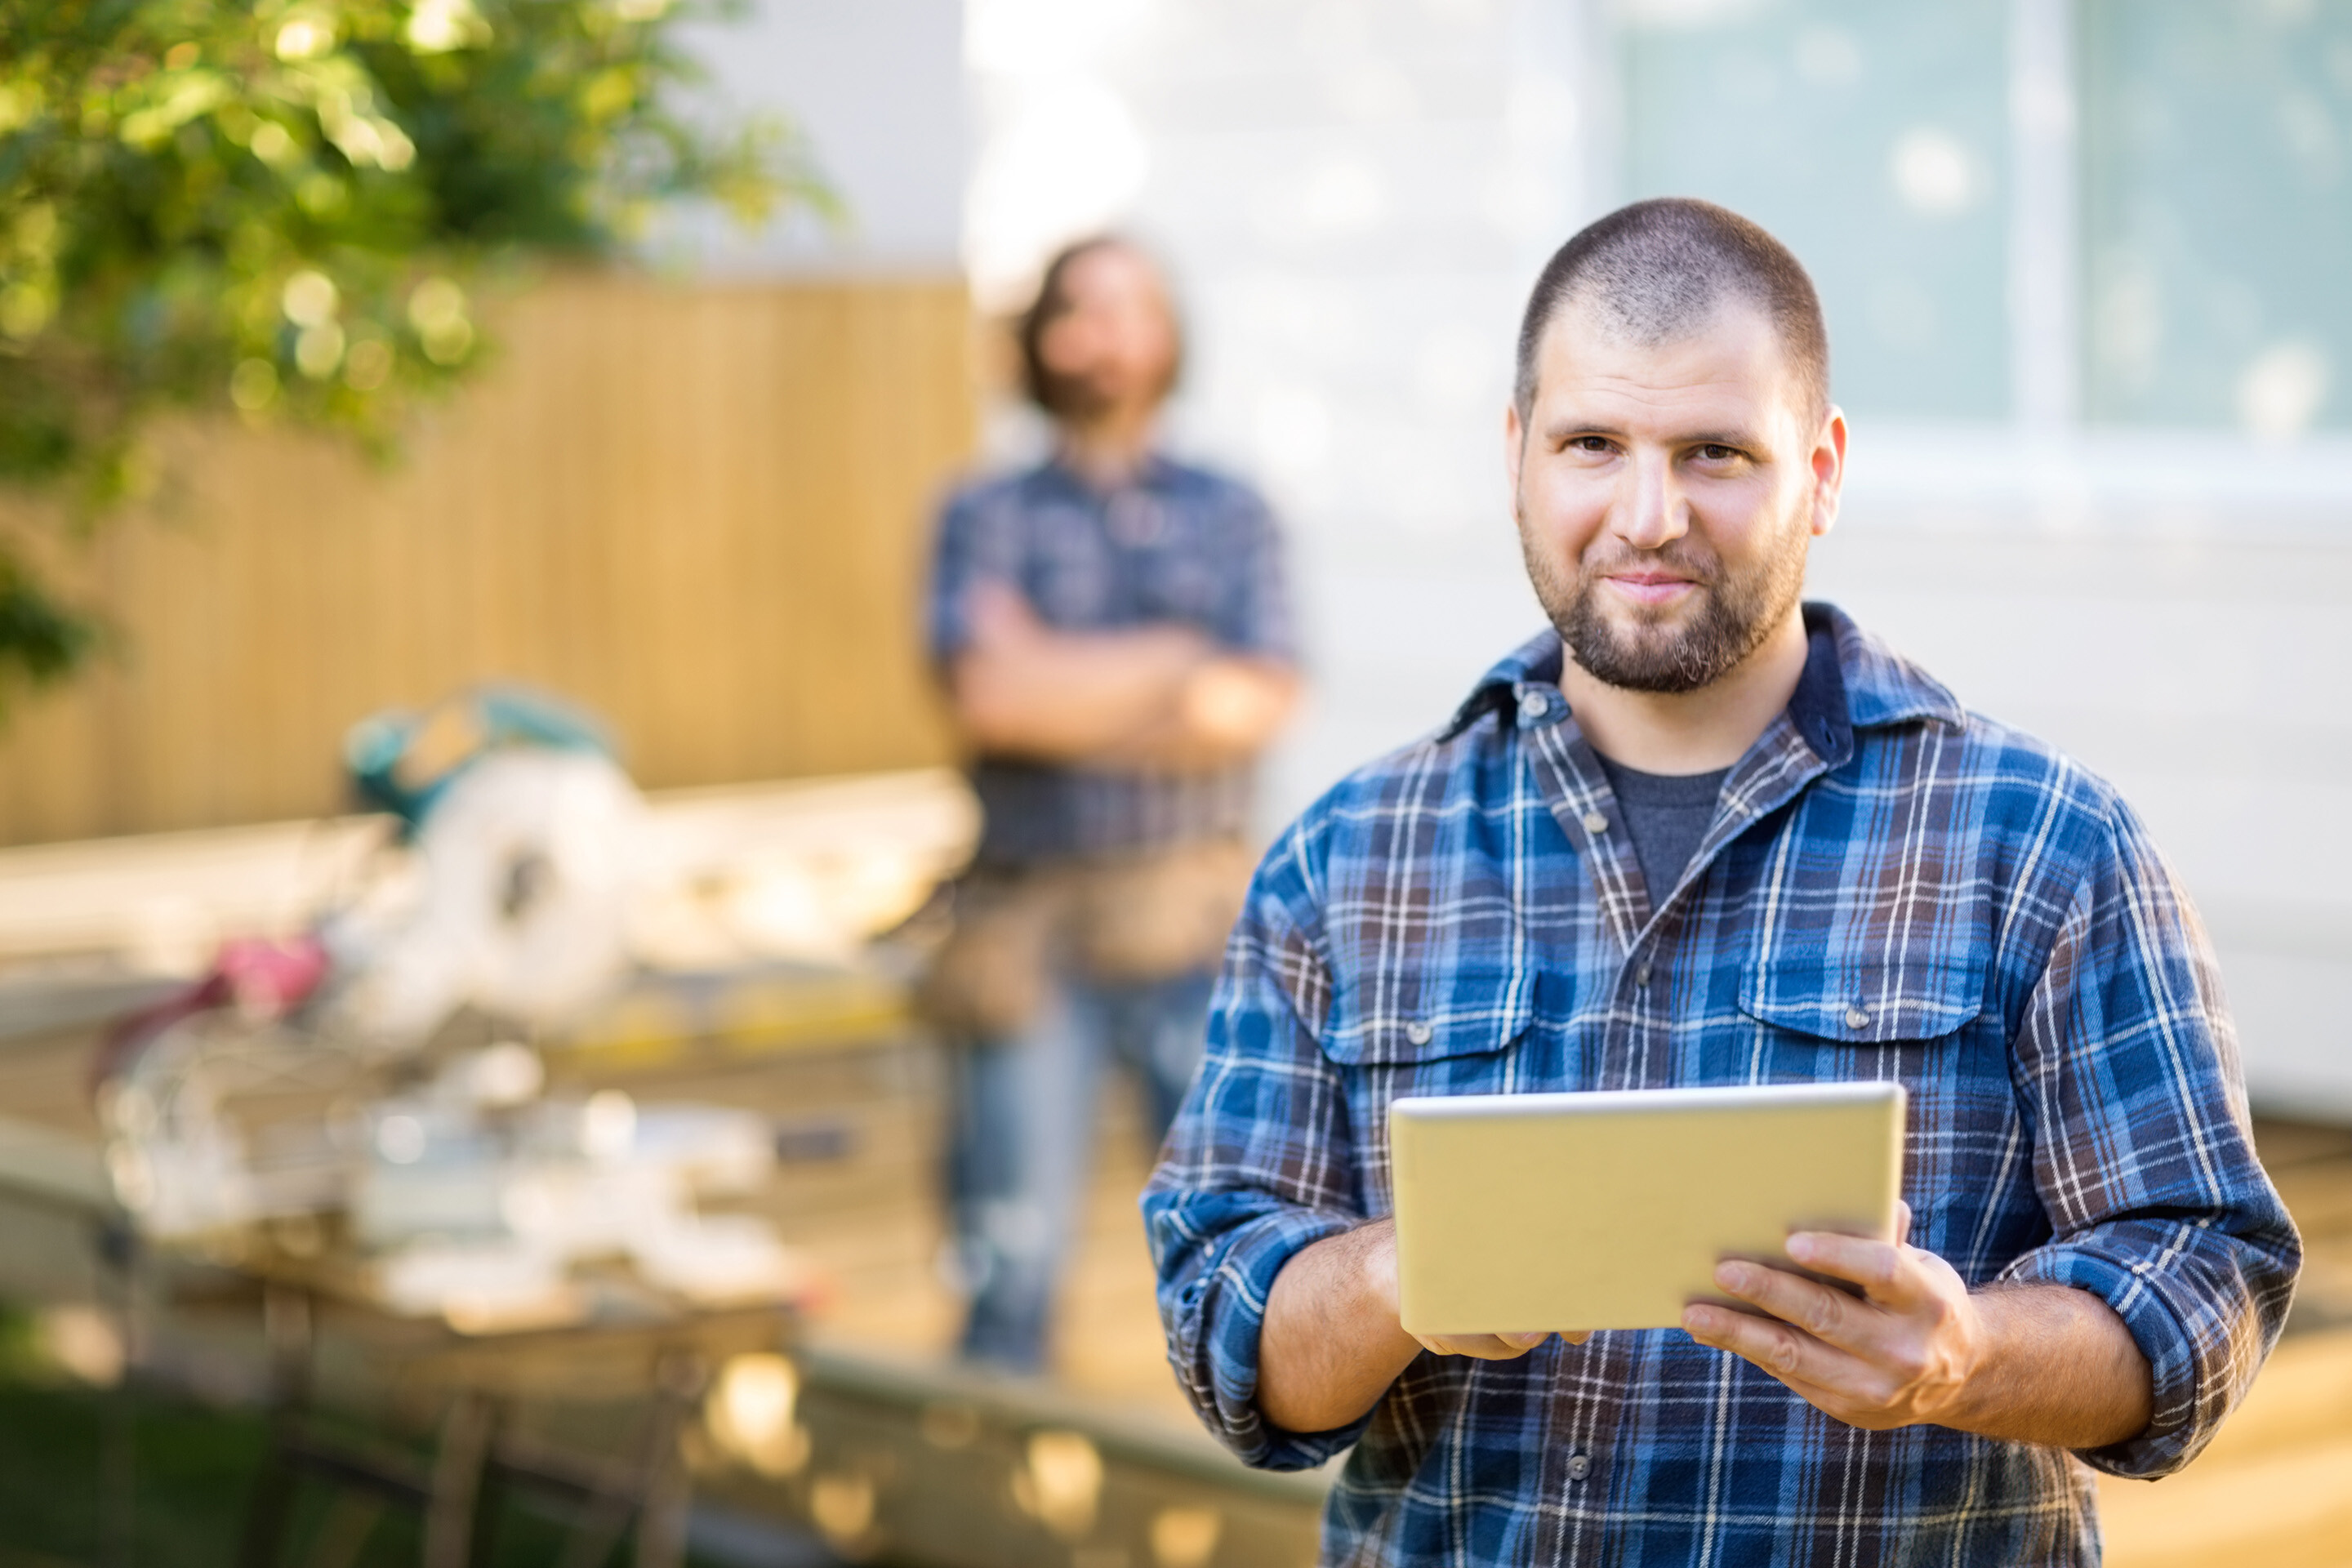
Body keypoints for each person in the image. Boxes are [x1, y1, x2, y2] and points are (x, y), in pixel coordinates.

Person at [1143, 198, 2300, 1564]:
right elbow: (1222, 1325)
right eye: (1592, 445)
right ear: (1517, 456)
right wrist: (1408, 1274)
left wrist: (1966, 1355)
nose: (1649, 514)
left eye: (1716, 453)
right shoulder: (1348, 859)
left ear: (1822, 468)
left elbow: (2205, 1281)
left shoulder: (2044, 842)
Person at [924, 237, 1300, 1373]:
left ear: (1171, 336)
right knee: (1007, 1262)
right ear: (1039, 340)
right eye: (1078, 310)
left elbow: (1255, 700)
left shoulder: (1235, 510)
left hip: (1197, 930)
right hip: (1027, 933)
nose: (1106, 335)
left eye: (1133, 308)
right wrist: (1180, 663)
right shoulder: (979, 511)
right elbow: (992, 699)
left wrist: (1065, 674)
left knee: (1245, 1260)